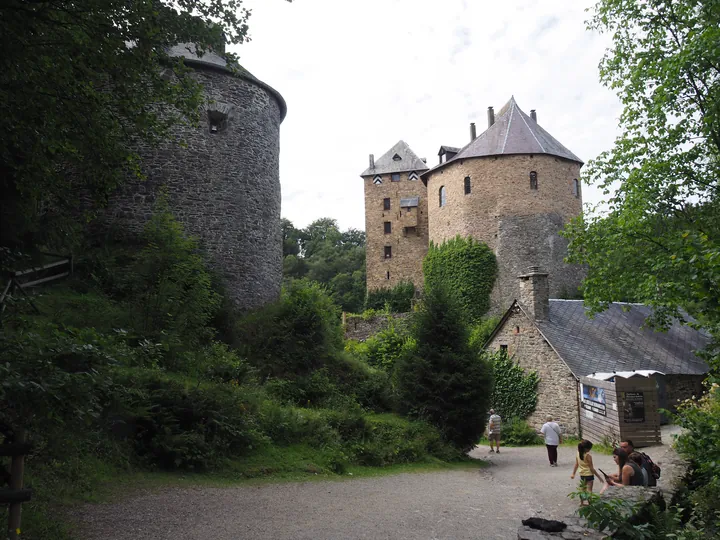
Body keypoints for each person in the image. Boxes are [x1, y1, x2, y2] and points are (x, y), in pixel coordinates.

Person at [571, 440, 600, 505]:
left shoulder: (578, 453)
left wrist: (573, 473)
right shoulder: (588, 455)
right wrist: (599, 476)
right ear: (586, 449)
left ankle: (581, 503)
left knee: (582, 489)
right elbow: (591, 468)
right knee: (589, 490)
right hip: (589, 474)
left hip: (582, 474)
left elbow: (576, 464)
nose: (590, 450)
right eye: (589, 449)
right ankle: (590, 503)